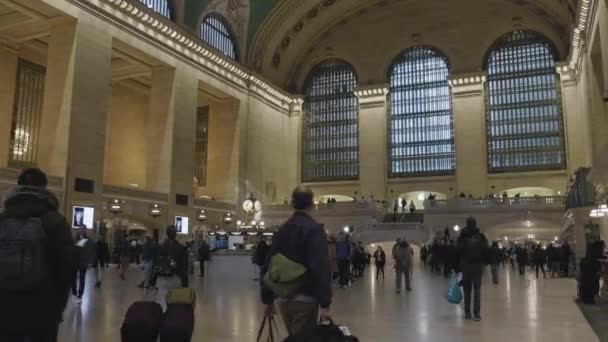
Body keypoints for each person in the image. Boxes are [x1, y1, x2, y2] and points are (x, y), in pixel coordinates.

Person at [0, 168, 74, 342]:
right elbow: (67, 266)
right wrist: (58, 304)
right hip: (42, 303)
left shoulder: (3, 219)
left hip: (4, 302)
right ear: (44, 187)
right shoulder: (54, 220)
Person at [261, 186, 332, 336]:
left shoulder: (283, 230)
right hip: (306, 297)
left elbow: (269, 263)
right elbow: (320, 266)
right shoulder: (314, 230)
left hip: (283, 298)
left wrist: (267, 298)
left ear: (292, 203)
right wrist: (325, 302)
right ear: (312, 204)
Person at [457, 217, 489, 321]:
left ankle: (467, 313)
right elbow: (486, 250)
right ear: (475, 224)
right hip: (478, 266)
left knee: (467, 291)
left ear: (467, 224)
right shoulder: (481, 236)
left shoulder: (462, 236)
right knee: (477, 290)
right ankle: (476, 314)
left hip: (466, 266)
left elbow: (458, 251)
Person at [155, 225, 187, 312]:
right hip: (176, 277)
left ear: (166, 234)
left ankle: (162, 316)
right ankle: (173, 317)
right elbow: (183, 265)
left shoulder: (160, 246)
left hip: (162, 277)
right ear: (175, 234)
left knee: (161, 300)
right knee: (175, 300)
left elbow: (156, 262)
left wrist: (153, 279)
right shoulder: (181, 247)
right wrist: (185, 282)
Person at [72, 227, 95, 303]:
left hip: (83, 262)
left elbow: (92, 252)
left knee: (82, 279)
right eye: (80, 229)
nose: (81, 230)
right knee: (73, 278)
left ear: (85, 230)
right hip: (74, 261)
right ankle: (74, 292)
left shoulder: (89, 241)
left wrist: (90, 262)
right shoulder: (74, 239)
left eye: (83, 229)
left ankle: (80, 295)